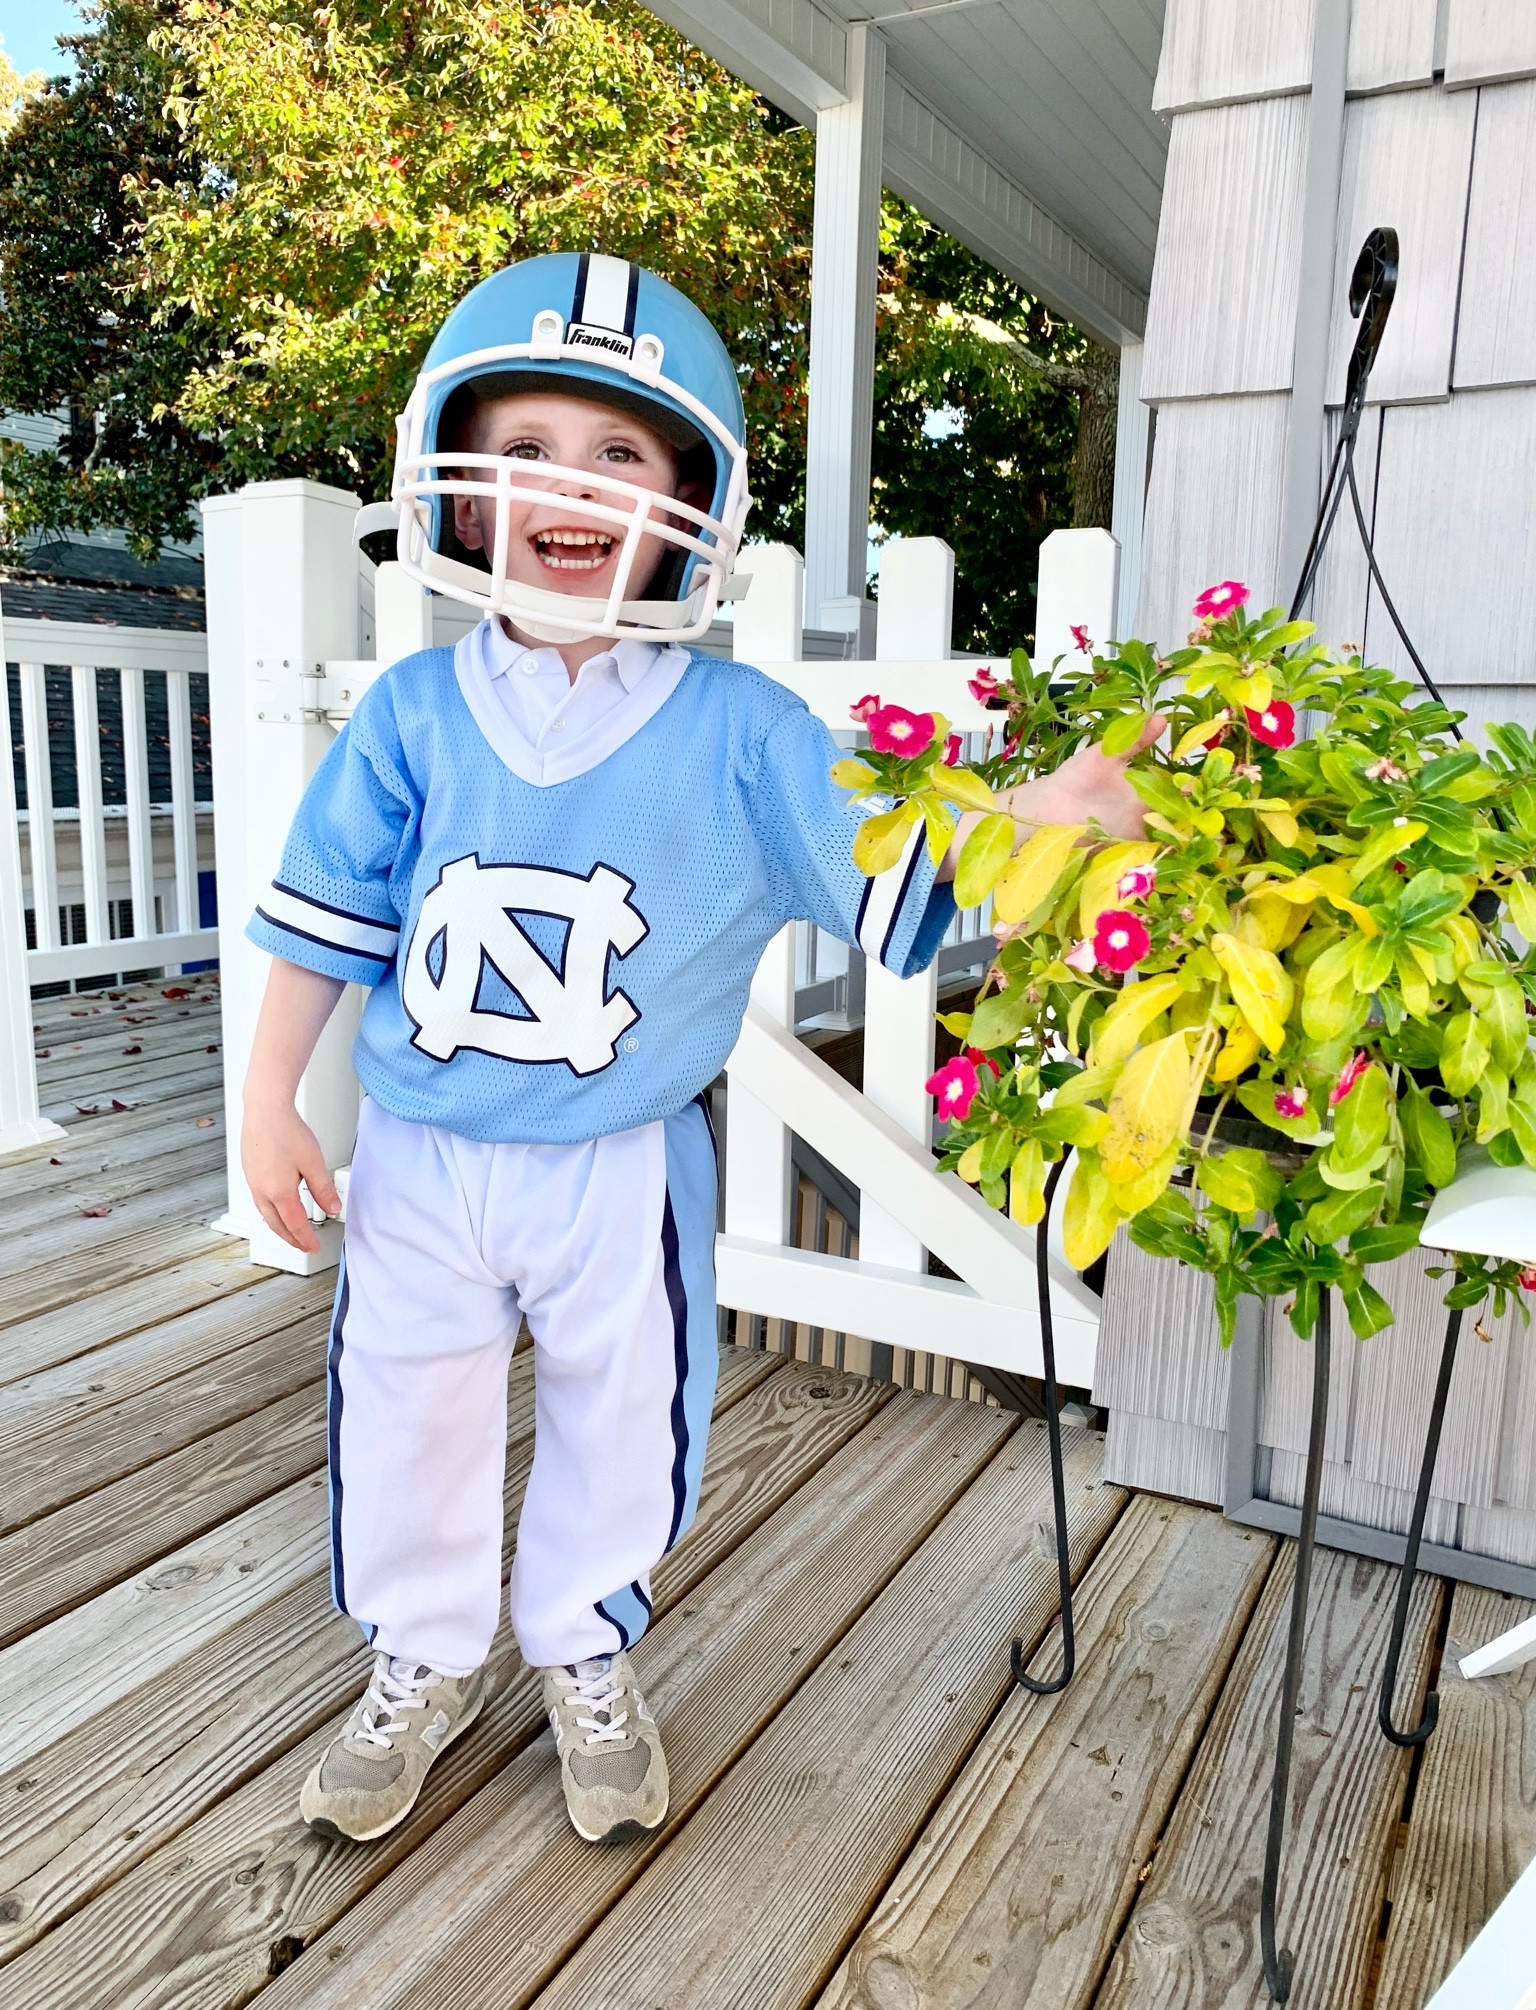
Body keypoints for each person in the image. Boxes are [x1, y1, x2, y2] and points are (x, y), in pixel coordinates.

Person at [241, 251, 1156, 1847]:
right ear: (456, 486)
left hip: (616, 1159)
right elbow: (330, 923)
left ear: (692, 497)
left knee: (625, 1404)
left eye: (615, 454)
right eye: (521, 449)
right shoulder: (408, 712)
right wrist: (268, 1098)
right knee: (404, 1405)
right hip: (420, 1152)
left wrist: (1049, 817)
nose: (564, 486)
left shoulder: (745, 737)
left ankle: (585, 1645)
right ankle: (419, 1652)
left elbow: (901, 858)